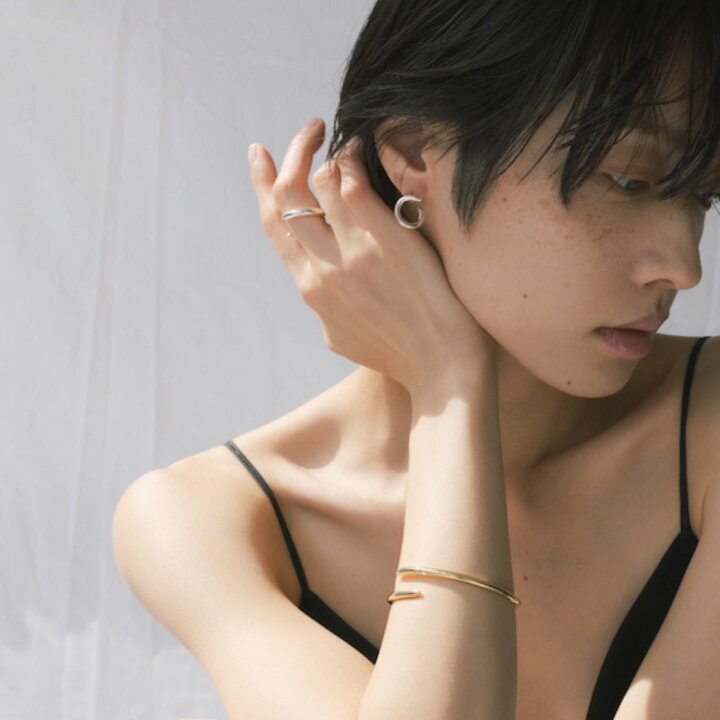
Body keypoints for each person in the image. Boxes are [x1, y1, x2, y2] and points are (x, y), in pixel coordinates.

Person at [112, 1, 720, 718]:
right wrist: (448, 383)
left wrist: (446, 380)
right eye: (629, 180)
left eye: (705, 195)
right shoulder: (210, 521)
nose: (685, 267)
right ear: (416, 150)